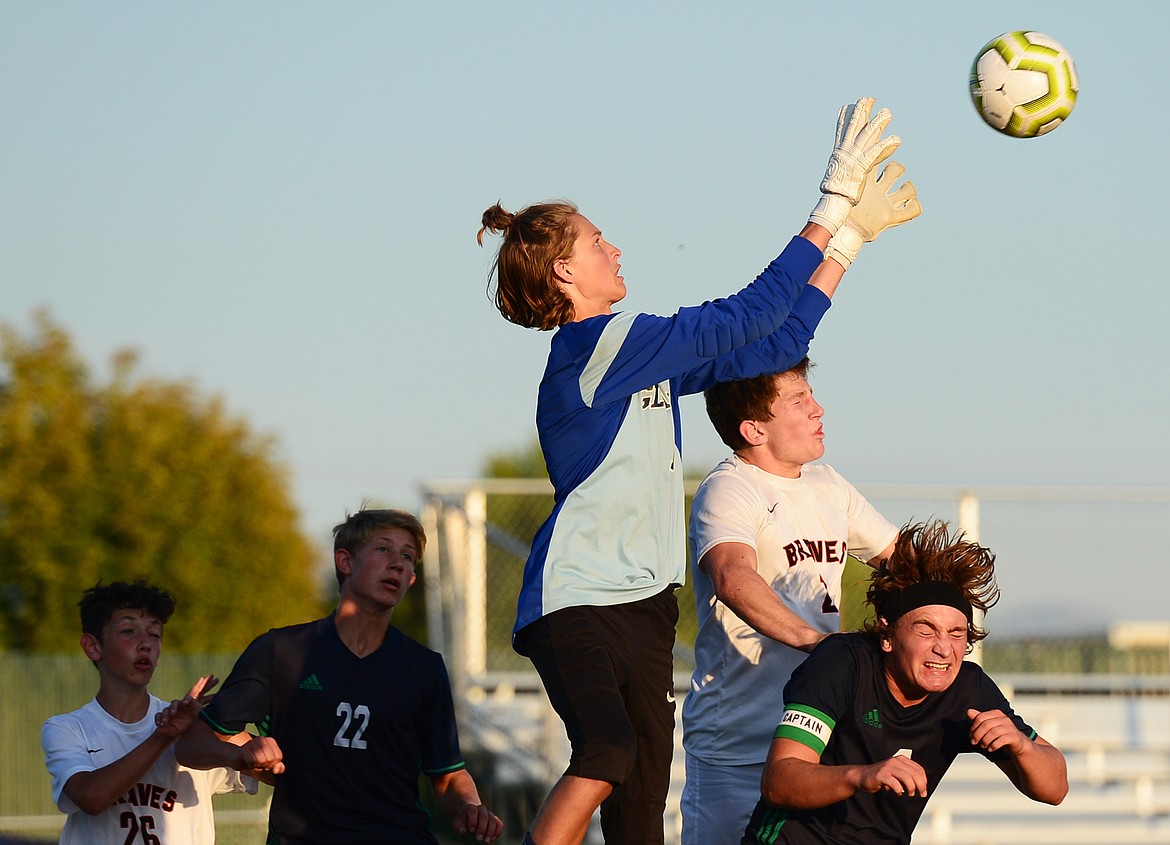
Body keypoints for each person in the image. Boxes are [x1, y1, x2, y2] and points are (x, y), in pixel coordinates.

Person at [476, 97, 919, 845]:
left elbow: (769, 345)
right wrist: (831, 200)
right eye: (595, 240)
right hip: (576, 597)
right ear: (564, 270)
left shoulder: (633, 354)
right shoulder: (598, 346)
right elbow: (744, 313)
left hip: (646, 603)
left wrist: (848, 245)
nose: (613, 249)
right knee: (608, 751)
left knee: (643, 799)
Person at [175, 507, 504, 845]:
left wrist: (468, 807)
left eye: (408, 557)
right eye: (383, 549)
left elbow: (447, 775)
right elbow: (190, 744)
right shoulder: (281, 651)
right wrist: (234, 755)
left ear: (411, 579)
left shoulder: (424, 668)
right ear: (345, 562)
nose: (398, 562)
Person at [681, 358, 899, 845]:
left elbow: (899, 559)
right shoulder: (728, 488)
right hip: (736, 747)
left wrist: (949, 582)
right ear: (753, 428)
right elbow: (733, 579)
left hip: (812, 742)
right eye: (799, 401)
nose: (818, 409)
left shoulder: (828, 484)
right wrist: (822, 646)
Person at [742, 520, 1069, 845]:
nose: (943, 648)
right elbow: (779, 780)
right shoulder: (843, 662)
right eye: (926, 630)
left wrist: (1021, 746)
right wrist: (862, 775)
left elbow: (1055, 789)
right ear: (887, 635)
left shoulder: (969, 689)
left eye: (957, 634)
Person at [40, 580, 255, 845]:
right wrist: (164, 736)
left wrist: (235, 736)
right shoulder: (68, 728)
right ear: (92, 647)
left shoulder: (193, 724)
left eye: (154, 634)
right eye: (129, 631)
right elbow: (91, 798)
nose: (145, 644)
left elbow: (270, 768)